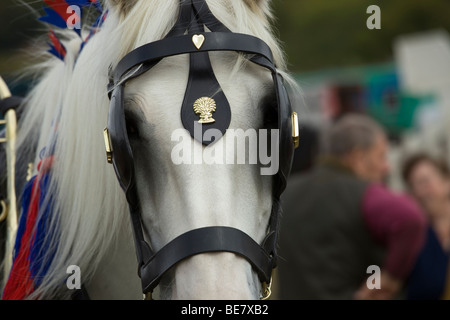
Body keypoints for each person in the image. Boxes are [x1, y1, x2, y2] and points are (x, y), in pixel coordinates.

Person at [278, 114, 426, 300]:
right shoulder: (365, 194)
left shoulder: (286, 192)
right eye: (381, 156)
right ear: (358, 157)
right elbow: (410, 219)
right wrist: (389, 279)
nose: (386, 167)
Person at [402, 153, 450, 299]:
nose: (420, 192)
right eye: (413, 186)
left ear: (447, 181)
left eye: (425, 182)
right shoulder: (413, 238)